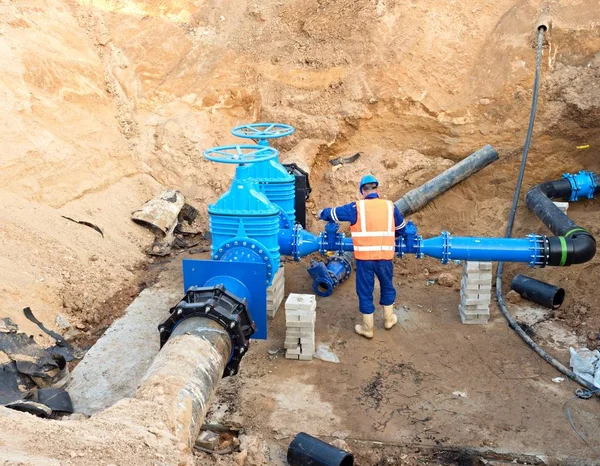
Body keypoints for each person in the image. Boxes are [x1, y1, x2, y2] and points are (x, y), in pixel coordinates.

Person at [318, 174, 407, 339]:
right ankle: (388, 320)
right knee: (387, 286)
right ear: (377, 189)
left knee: (365, 291)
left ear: (362, 191)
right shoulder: (390, 206)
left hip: (365, 260)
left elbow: (334, 213)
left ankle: (368, 328)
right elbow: (402, 228)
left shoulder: (356, 208)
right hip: (385, 258)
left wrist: (322, 213)